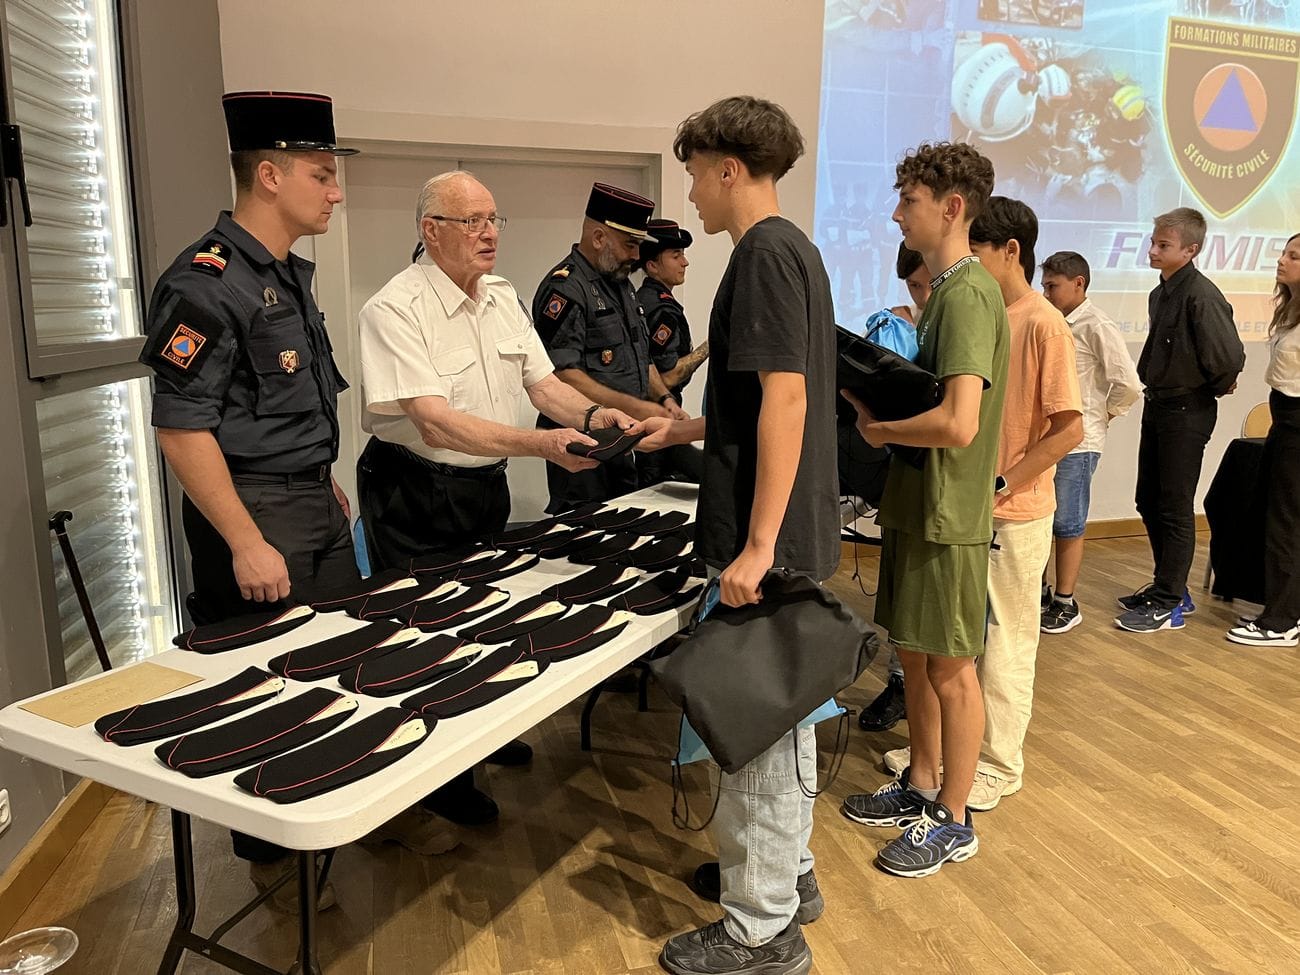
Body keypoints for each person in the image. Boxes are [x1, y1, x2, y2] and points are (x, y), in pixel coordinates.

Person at [139, 90, 448, 915]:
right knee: (261, 687)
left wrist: (322, 477)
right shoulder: (206, 281)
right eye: (322, 174)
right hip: (253, 518)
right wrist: (243, 539)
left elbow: (281, 402)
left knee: (340, 665)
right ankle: (273, 857)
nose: (336, 190)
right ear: (268, 175)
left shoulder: (283, 276)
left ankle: (336, 813)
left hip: (310, 505)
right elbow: (181, 427)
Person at [357, 170, 641, 824]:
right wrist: (542, 446)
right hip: (414, 489)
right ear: (432, 231)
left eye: (494, 219)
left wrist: (598, 418)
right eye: (473, 221)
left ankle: (476, 737)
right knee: (426, 637)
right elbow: (435, 421)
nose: (489, 233)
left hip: (482, 481)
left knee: (485, 621)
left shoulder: (501, 295)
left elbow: (545, 387)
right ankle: (436, 792)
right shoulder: (395, 308)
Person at [639, 95, 838, 975]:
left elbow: (788, 400)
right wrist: (693, 430)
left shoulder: (759, 254)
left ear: (728, 168)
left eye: (693, 174)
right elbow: (761, 400)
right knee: (785, 715)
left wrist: (756, 546)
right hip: (789, 526)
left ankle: (760, 930)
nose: (689, 195)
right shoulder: (795, 250)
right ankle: (788, 878)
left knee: (756, 725)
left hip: (769, 537)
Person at [839, 141, 1008, 877]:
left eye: (908, 198)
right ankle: (922, 782)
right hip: (916, 503)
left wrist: (877, 428)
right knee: (915, 654)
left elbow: (960, 423)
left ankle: (955, 815)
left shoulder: (969, 295)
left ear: (952, 206)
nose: (897, 211)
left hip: (949, 512)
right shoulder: (943, 292)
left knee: (950, 669)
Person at [959, 197, 1082, 811]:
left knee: (1008, 641)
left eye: (978, 250)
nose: (970, 261)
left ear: (1011, 251)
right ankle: (957, 754)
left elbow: (1068, 428)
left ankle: (1000, 764)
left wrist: (1003, 483)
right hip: (968, 509)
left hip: (1016, 511)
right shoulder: (983, 315)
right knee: (964, 642)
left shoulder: (1043, 322)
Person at [1117, 208, 1245, 632]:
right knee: (1147, 499)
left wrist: (1212, 386)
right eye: (1153, 242)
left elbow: (1228, 358)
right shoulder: (1162, 292)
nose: (1153, 251)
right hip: (1159, 404)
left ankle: (1170, 600)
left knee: (1173, 506)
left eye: (1163, 245)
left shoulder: (1201, 295)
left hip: (1187, 409)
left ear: (1190, 250)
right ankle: (1167, 585)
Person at [532, 183, 688, 512]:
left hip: (622, 438)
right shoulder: (565, 288)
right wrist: (637, 407)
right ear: (599, 237)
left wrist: (664, 399)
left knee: (624, 521)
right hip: (582, 442)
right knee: (582, 533)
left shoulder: (622, 286)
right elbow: (563, 375)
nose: (636, 255)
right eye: (630, 244)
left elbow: (641, 356)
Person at [1038, 251, 1141, 633]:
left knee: (1067, 521)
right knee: (1041, 518)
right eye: (1044, 285)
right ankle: (1041, 593)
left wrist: (1107, 414)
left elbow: (1128, 382)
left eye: (1053, 286)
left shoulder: (1096, 324)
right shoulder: (1050, 320)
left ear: (1079, 283)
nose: (1046, 293)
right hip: (1044, 440)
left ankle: (1066, 601)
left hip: (1079, 443)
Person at [857, 242, 932, 735]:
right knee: (903, 589)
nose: (922, 293)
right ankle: (902, 683)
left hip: (947, 476)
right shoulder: (895, 327)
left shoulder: (964, 318)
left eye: (929, 283)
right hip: (900, 468)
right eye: (913, 285)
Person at [1226, 233, 1300, 647]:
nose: (1283, 260)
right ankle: (1284, 607)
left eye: (1295, 256)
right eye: (1284, 253)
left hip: (1297, 422)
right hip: (1283, 418)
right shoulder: (1290, 309)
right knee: (1274, 514)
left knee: (1286, 523)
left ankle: (1282, 621)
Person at [634, 218, 708, 486]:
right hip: (656, 415)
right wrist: (710, 347)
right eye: (676, 255)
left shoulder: (643, 299)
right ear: (652, 265)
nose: (684, 263)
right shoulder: (661, 309)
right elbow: (667, 377)